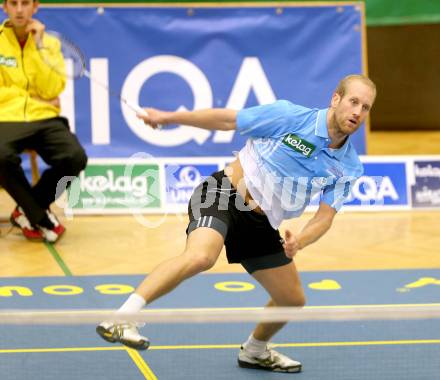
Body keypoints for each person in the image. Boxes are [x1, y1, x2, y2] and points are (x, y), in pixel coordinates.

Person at [96, 74, 376, 373]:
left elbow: (325, 217)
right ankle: (122, 316)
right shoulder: (290, 117)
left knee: (291, 299)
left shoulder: (348, 166)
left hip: (261, 222)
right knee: (201, 257)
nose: (358, 112)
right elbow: (227, 120)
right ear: (336, 99)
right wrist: (168, 116)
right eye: (353, 101)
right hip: (224, 194)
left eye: (366, 107)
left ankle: (255, 351)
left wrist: (300, 241)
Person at [0, 0, 87, 242]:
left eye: (25, 3)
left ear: (35, 7)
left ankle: (28, 210)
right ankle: (40, 217)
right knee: (0, 155)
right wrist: (25, 95)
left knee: (75, 157)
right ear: (4, 7)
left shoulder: (49, 43)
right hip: (5, 117)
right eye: (13, 3)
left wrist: (38, 46)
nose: (19, 9)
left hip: (43, 117)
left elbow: (52, 88)